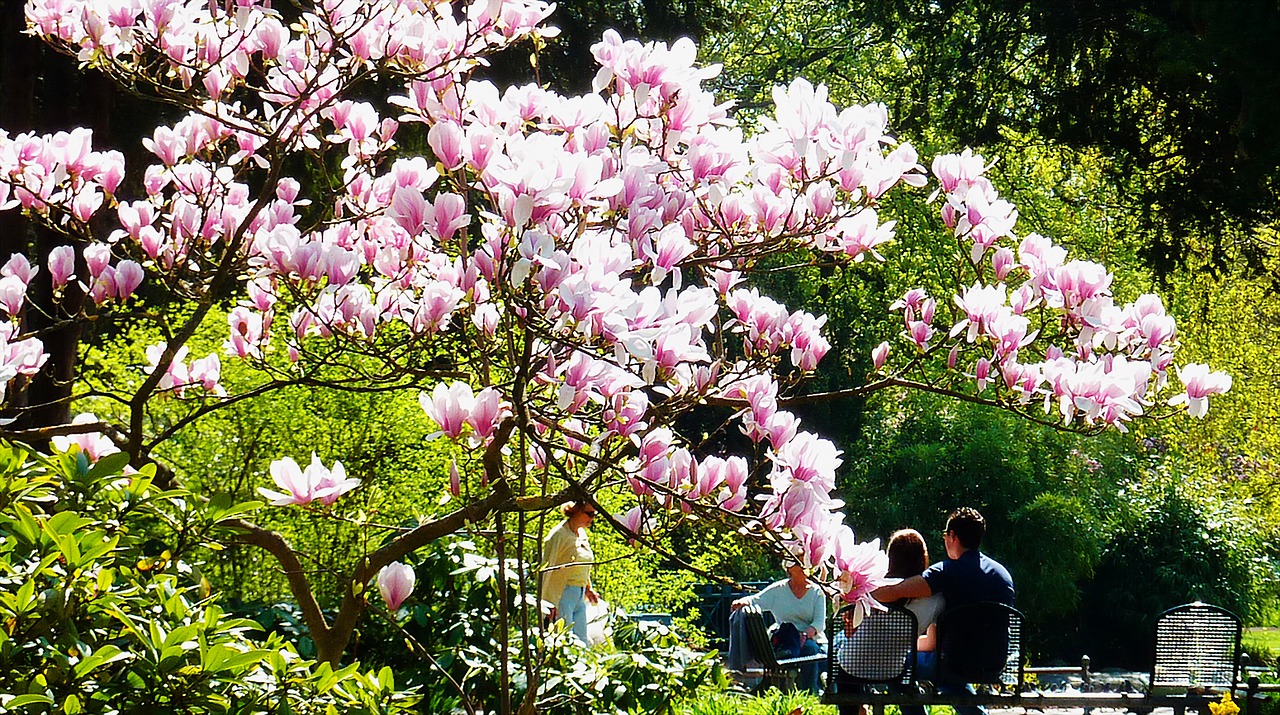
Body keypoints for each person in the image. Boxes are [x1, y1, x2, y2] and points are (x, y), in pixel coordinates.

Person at [872, 508, 1014, 715]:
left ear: (953, 536)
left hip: (953, 663)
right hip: (994, 663)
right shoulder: (1003, 575)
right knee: (949, 672)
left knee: (896, 666)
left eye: (946, 535)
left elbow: (895, 592)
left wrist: (860, 589)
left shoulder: (946, 572)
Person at [834, 529, 944, 715]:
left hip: (852, 668)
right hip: (893, 670)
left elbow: (851, 631)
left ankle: (855, 710)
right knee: (902, 671)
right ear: (923, 558)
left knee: (843, 650)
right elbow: (931, 643)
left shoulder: (871, 589)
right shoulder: (936, 600)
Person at [728, 562, 827, 694]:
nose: (804, 566)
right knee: (810, 651)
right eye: (799, 563)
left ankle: (811, 692)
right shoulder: (778, 590)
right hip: (786, 640)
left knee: (813, 649)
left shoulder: (817, 592)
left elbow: (819, 623)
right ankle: (806, 692)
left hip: (812, 638)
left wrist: (804, 635)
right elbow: (756, 600)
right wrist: (744, 602)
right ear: (789, 568)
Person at [541, 501, 600, 644]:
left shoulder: (581, 534)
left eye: (595, 514)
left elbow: (581, 564)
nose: (592, 518)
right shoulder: (558, 535)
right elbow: (547, 571)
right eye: (589, 513)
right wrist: (548, 604)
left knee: (582, 641)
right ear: (576, 510)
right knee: (563, 640)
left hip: (579, 596)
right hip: (562, 595)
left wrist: (588, 589)